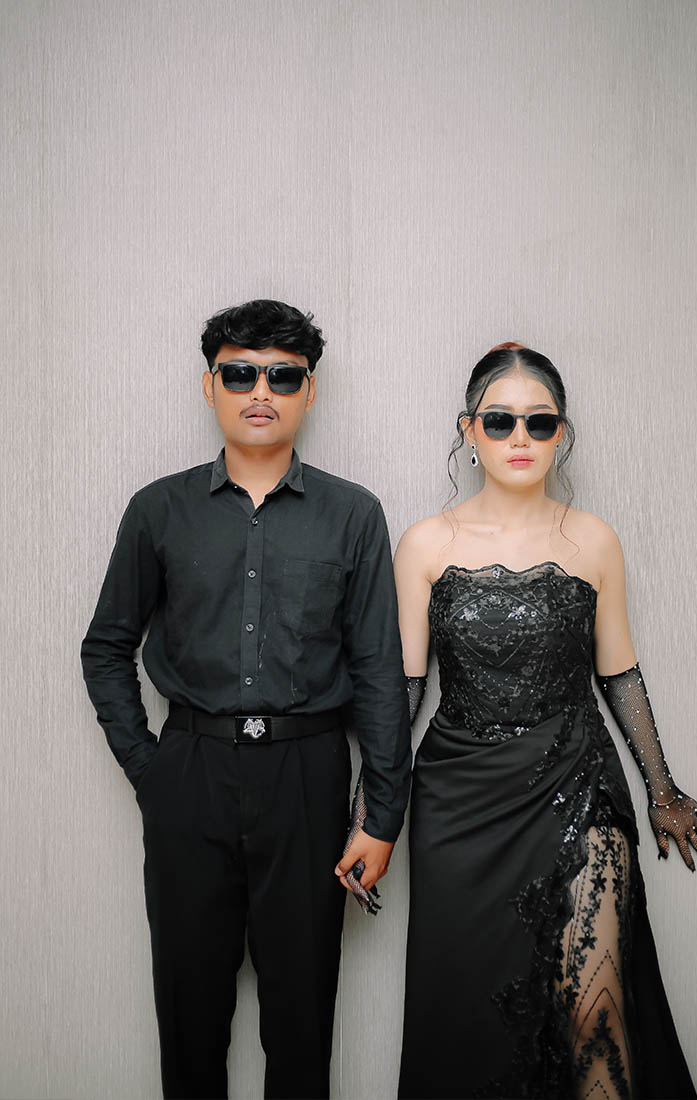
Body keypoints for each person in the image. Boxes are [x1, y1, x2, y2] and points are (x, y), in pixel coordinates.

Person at [80, 299, 411, 1100]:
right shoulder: (158, 510)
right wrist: (154, 773)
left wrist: (381, 817)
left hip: (307, 779)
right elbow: (106, 647)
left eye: (282, 377)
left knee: (302, 1022)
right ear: (210, 387)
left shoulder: (354, 514)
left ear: (309, 392)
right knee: (189, 1017)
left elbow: (378, 669)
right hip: (190, 773)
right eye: (240, 374)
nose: (260, 391)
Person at [394, 343, 697, 1100]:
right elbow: (404, 691)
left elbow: (620, 673)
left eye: (539, 423)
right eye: (500, 421)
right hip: (459, 805)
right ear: (469, 430)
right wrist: (369, 812)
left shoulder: (594, 539)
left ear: (561, 434)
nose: (520, 437)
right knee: (470, 1026)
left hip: (577, 784)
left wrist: (662, 792)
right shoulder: (425, 543)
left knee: (597, 1018)